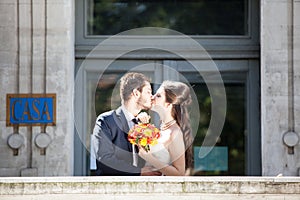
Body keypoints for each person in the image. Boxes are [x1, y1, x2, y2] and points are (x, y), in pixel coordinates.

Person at [91, 72, 161, 176]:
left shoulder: (143, 124)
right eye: (148, 92)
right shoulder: (106, 121)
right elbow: (104, 160)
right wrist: (139, 172)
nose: (152, 96)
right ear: (136, 94)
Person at [138, 80, 194, 176]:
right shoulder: (162, 129)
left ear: (169, 104)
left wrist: (149, 157)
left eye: (158, 96)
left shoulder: (174, 133)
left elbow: (179, 173)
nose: (152, 97)